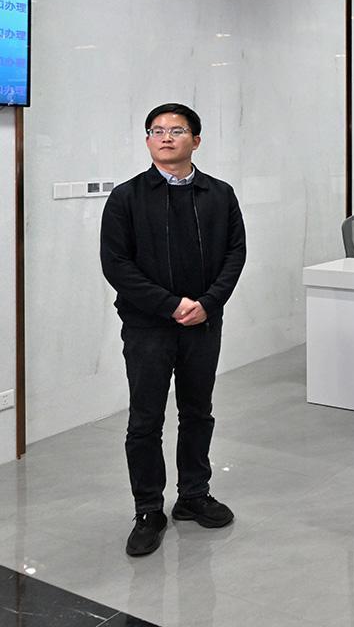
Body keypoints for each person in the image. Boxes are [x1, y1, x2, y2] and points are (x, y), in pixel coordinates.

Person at [100, 103, 247, 558]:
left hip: (203, 323)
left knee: (198, 411)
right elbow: (116, 265)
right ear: (148, 140)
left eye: (177, 130)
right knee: (145, 419)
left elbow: (235, 254)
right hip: (147, 326)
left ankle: (193, 494)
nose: (166, 137)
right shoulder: (126, 197)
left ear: (196, 141)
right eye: (156, 130)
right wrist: (171, 305)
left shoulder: (219, 194)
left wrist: (208, 303)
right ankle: (148, 509)